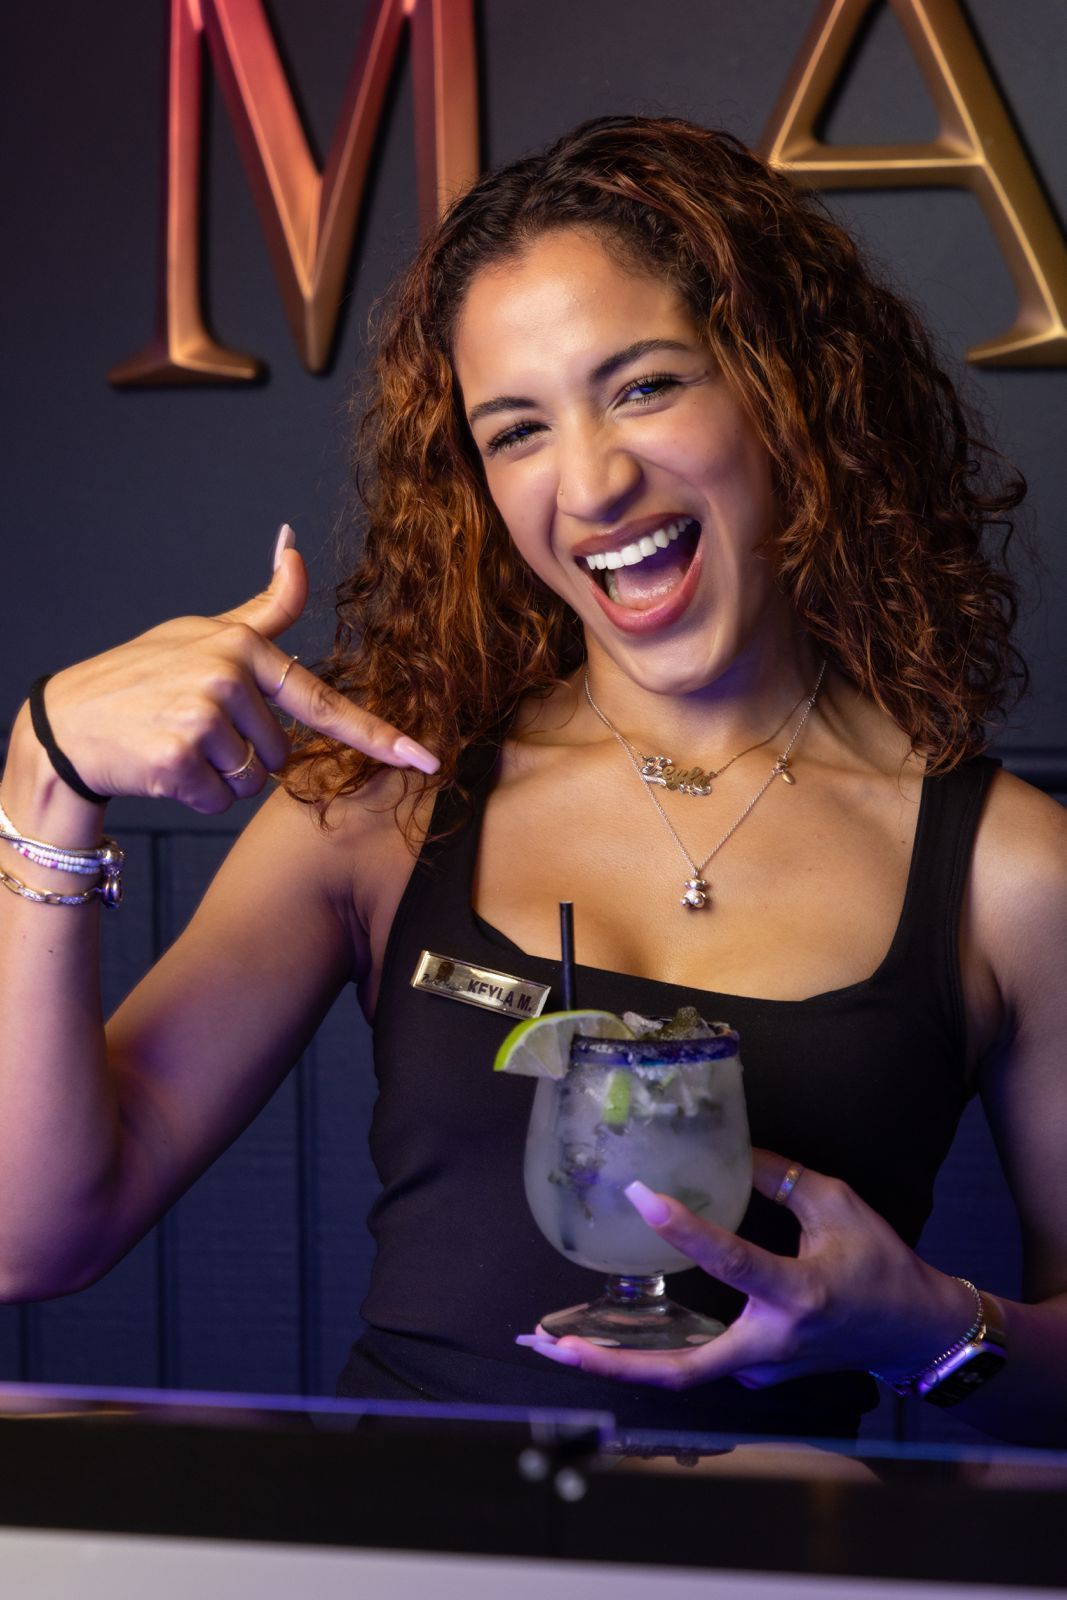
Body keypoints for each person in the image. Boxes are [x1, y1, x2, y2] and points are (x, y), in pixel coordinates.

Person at [1, 117, 1064, 1445]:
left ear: (783, 386)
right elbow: (31, 1239)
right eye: (517, 431)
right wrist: (46, 779)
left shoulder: (1013, 873)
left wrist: (931, 1330)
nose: (595, 483)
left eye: (645, 386)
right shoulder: (388, 798)